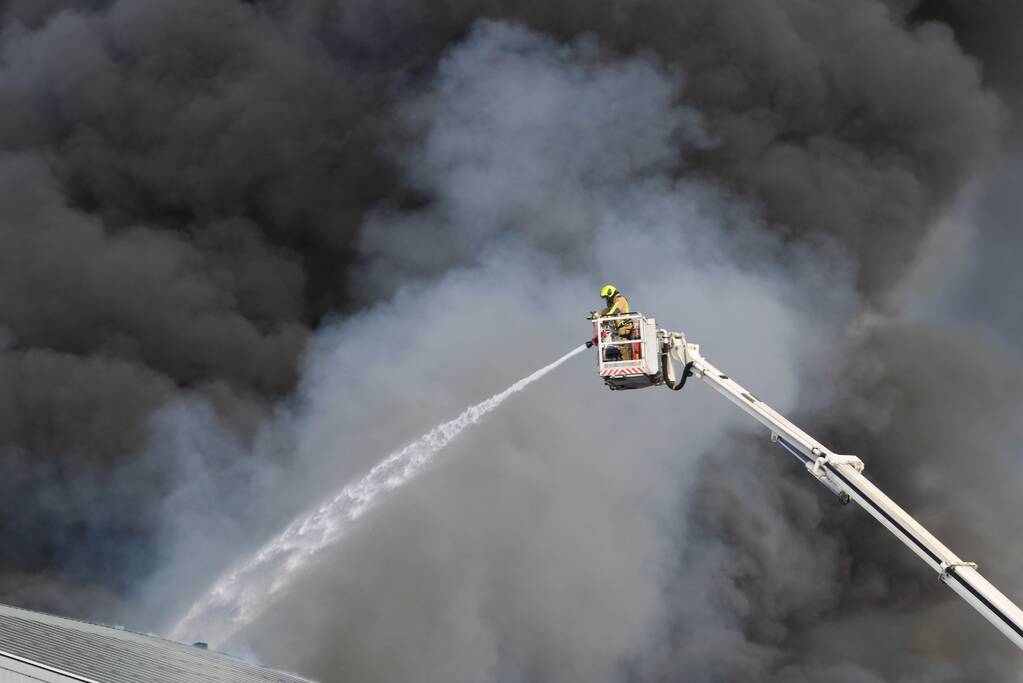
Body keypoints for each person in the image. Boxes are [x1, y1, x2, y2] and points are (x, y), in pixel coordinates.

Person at [590, 284, 635, 360]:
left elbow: (614, 311)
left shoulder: (620, 300)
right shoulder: (615, 302)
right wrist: (597, 314)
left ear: (610, 294)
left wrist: (605, 317)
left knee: (625, 350)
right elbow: (607, 310)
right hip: (621, 332)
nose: (607, 300)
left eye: (607, 298)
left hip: (625, 331)